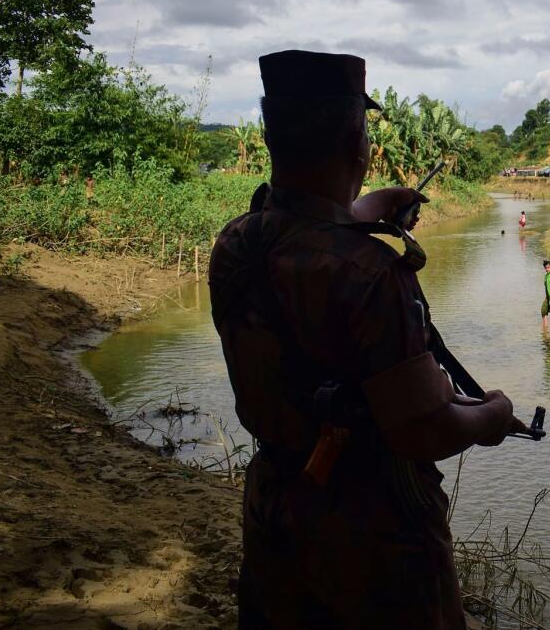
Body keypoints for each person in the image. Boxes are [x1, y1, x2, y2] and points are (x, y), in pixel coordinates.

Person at [208, 50, 526, 629]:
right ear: (358, 144)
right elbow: (421, 430)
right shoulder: (372, 275)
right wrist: (492, 417)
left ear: (274, 138)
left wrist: (364, 210)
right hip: (373, 526)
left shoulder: (236, 243)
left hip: (276, 501)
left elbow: (300, 236)